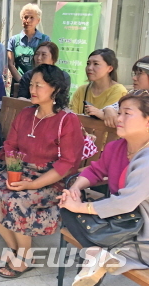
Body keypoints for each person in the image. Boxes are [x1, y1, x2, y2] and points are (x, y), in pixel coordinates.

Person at [0, 64, 83, 279]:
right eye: (31, 84)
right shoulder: (26, 114)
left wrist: (32, 184)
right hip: (21, 171)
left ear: (56, 89)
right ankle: (15, 249)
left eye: (39, 85)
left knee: (17, 200)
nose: (32, 89)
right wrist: (14, 173)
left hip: (52, 180)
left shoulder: (66, 121)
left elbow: (67, 163)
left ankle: (26, 256)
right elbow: (10, 146)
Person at [59, 91, 149, 286]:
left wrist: (81, 207)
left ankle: (98, 256)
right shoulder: (117, 147)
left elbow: (126, 202)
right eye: (119, 113)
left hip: (143, 230)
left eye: (127, 113)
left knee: (82, 220)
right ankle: (97, 255)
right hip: (123, 219)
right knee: (66, 207)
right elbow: (95, 171)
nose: (119, 118)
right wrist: (75, 189)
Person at [70, 48, 127, 117]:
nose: (90, 68)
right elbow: (71, 117)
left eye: (96, 64)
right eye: (88, 63)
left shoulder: (119, 91)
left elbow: (109, 121)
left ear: (110, 68)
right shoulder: (81, 90)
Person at [7, 3, 50, 83]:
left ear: (38, 20)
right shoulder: (13, 40)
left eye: (32, 17)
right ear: (21, 19)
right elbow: (10, 64)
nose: (28, 20)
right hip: (18, 84)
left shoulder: (45, 39)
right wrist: (22, 81)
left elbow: (47, 63)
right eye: (25, 17)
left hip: (39, 82)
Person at [102, 56, 149, 128]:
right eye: (135, 73)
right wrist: (109, 109)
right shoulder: (135, 94)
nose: (134, 78)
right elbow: (113, 107)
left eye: (139, 73)